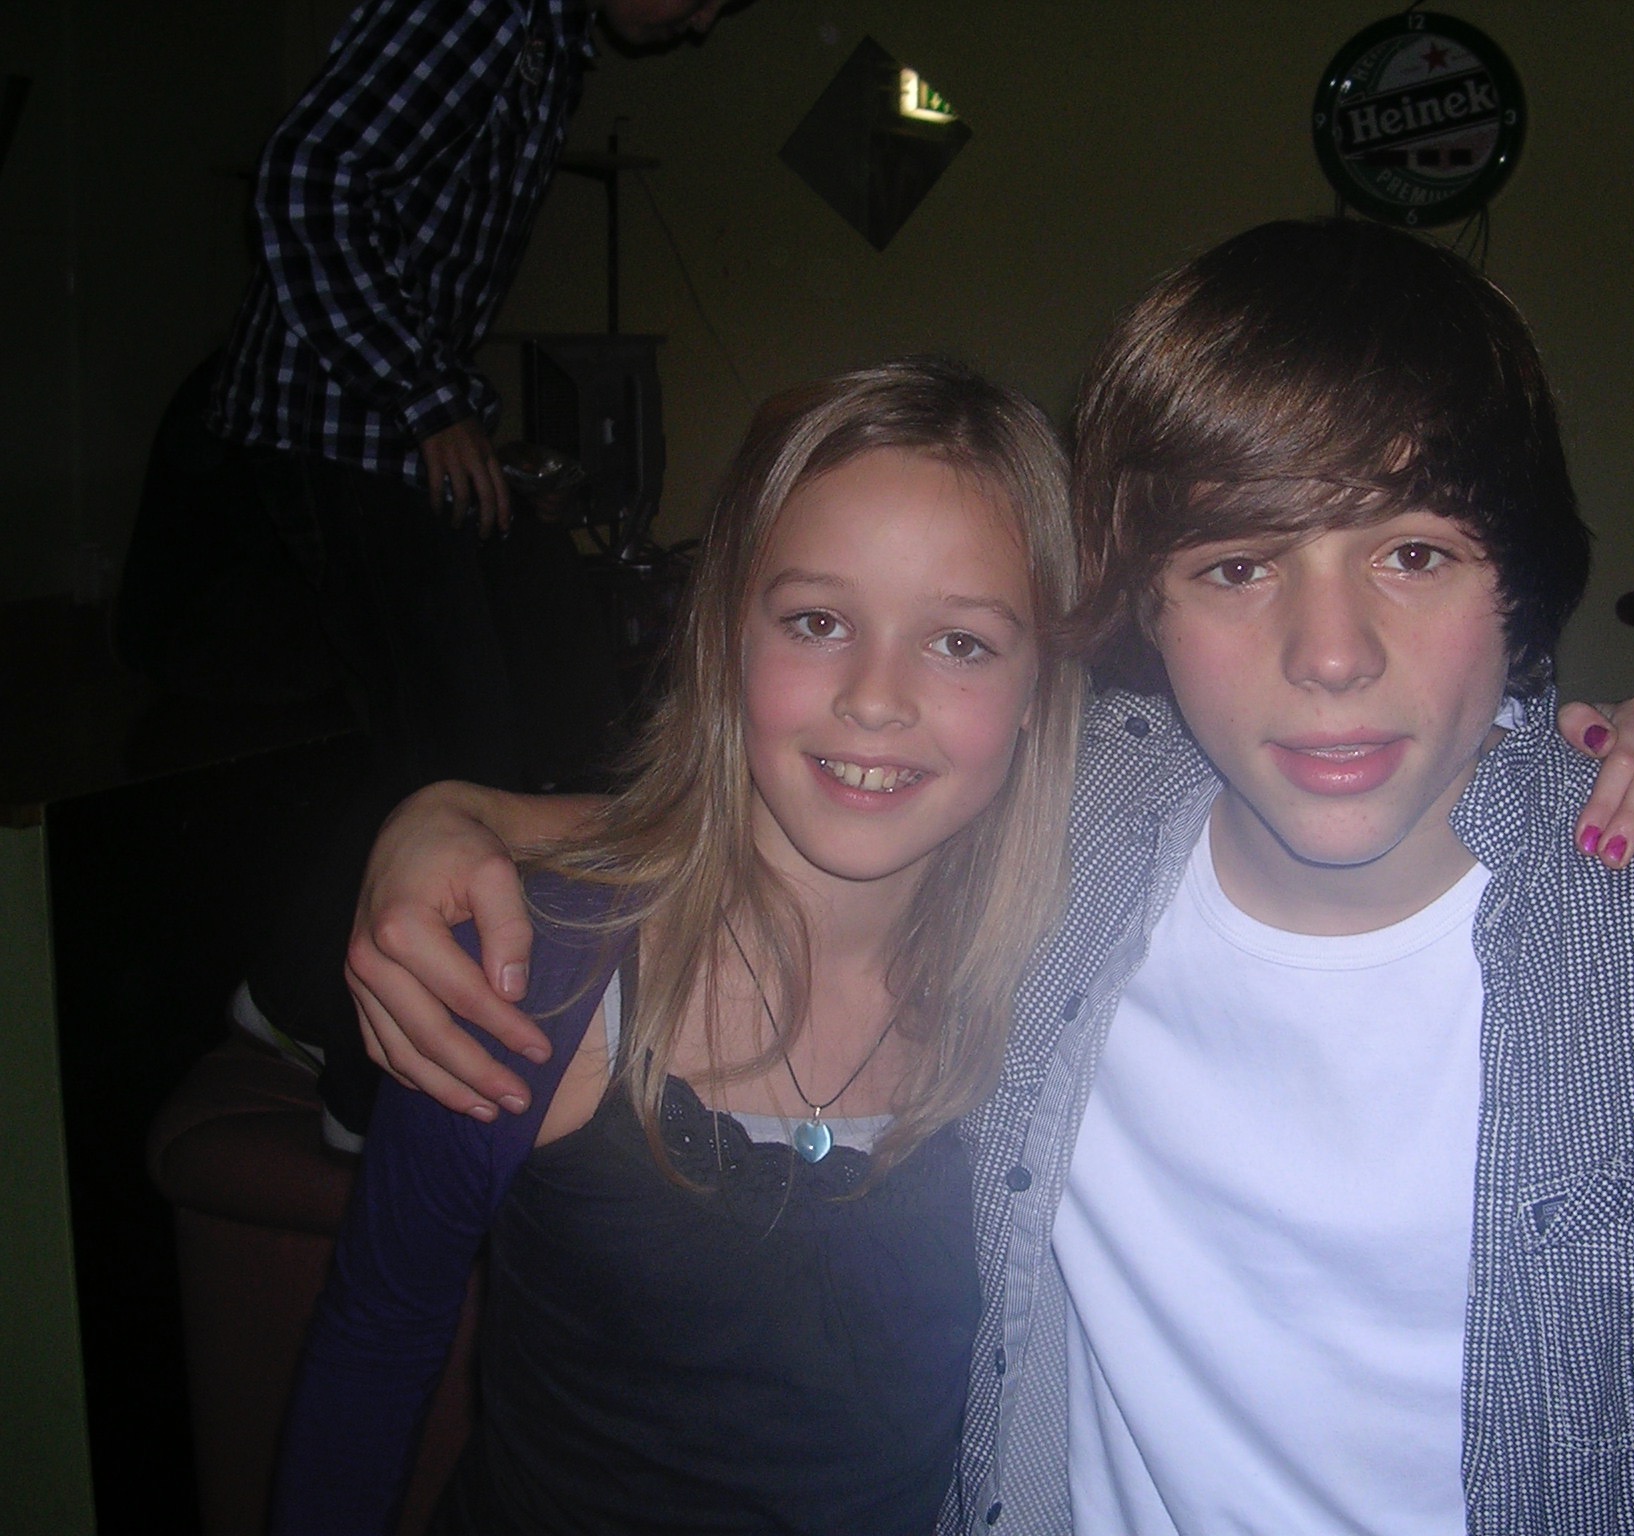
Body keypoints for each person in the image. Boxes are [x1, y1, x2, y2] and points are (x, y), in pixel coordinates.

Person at [347, 221, 1634, 1534]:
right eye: (1237, 563)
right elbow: (819, 776)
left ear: (1519, 584)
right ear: (1145, 603)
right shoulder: (1084, 823)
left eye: (1414, 551)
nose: (1329, 653)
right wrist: (453, 810)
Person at [271, 358, 1088, 1534]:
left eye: (959, 642)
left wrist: (465, 805)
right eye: (817, 622)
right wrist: (445, 809)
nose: (875, 697)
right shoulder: (533, 974)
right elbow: (377, 1337)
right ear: (725, 640)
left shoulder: (1066, 983)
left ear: (1039, 687)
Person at [201, 0, 745, 1144]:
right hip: (337, 430)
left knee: (538, 721)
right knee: (452, 762)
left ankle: (288, 990)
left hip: (395, 434)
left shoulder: (555, 43)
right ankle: (362, 1077)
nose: (699, 23)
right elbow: (306, 180)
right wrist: (428, 400)